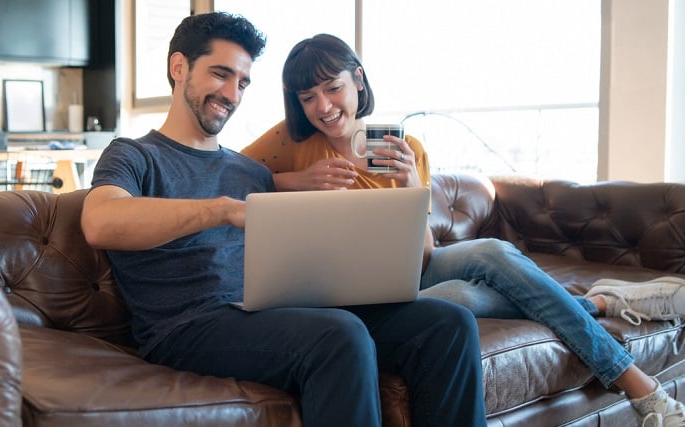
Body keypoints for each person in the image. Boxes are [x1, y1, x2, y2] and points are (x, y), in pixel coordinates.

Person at [240, 33, 685, 425]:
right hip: (357, 299)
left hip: (411, 275)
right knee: (458, 301)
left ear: (357, 79)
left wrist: (409, 189)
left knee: (489, 252)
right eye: (307, 97)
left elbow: (426, 255)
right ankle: (596, 303)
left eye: (332, 87)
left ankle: (635, 381)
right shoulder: (290, 144)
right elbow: (223, 174)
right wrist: (294, 181)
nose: (322, 107)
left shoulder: (403, 148)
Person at [80, 13, 486, 427]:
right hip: (190, 326)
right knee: (339, 335)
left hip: (272, 310)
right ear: (178, 67)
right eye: (220, 74)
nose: (232, 94)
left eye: (242, 82)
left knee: (447, 323)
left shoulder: (250, 172)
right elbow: (100, 221)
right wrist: (221, 210)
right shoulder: (134, 154)